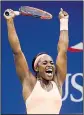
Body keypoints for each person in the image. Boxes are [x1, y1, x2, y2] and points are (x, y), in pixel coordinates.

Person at [4, 8, 69, 114]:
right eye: (45, 63)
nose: (50, 65)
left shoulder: (57, 82)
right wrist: (10, 21)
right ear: (36, 68)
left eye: (51, 63)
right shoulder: (29, 82)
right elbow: (17, 52)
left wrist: (64, 22)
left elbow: (63, 51)